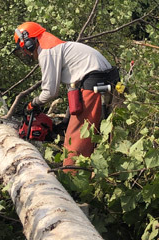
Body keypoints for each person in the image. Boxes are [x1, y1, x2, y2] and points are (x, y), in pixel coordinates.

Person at [13, 22, 119, 168]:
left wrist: (34, 103)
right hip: (105, 81)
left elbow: (50, 92)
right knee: (100, 136)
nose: (27, 53)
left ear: (29, 42)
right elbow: (73, 86)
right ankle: (97, 176)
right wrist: (67, 120)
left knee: (76, 139)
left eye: (25, 49)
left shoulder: (48, 51)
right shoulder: (59, 47)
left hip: (94, 84)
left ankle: (72, 179)